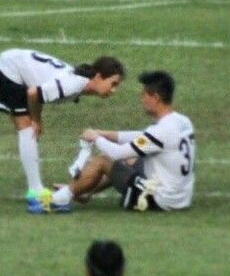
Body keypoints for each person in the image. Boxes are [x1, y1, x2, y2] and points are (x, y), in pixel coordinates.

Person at [0, 49, 125, 211]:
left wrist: (36, 118)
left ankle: (35, 189)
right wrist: (37, 120)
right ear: (98, 77)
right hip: (7, 69)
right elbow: (33, 94)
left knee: (28, 126)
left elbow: (37, 92)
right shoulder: (73, 84)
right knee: (27, 128)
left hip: (12, 64)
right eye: (113, 83)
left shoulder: (77, 83)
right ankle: (35, 192)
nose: (114, 90)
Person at [48, 71, 195, 212]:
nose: (142, 99)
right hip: (181, 198)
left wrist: (95, 137)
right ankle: (84, 191)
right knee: (132, 158)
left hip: (159, 200)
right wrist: (103, 134)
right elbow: (142, 137)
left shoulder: (160, 131)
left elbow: (117, 153)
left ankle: (60, 198)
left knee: (103, 160)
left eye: (144, 94)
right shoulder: (182, 121)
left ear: (155, 97)